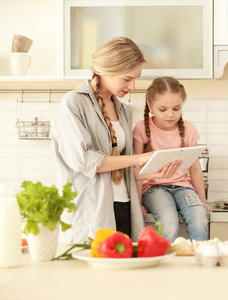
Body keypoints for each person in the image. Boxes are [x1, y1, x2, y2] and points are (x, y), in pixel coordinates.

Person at [51, 37, 180, 242]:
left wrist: (156, 172)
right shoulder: (73, 103)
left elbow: (122, 169)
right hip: (91, 213)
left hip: (124, 208)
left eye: (136, 78)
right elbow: (84, 161)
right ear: (107, 70)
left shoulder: (122, 109)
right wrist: (137, 159)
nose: (133, 85)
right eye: (127, 79)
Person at [133, 77, 210, 242]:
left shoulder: (188, 129)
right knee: (169, 222)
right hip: (154, 188)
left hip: (183, 187)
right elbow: (136, 169)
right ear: (150, 106)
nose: (170, 114)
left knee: (200, 218)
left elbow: (195, 169)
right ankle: (166, 265)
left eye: (176, 108)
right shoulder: (141, 129)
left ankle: (199, 263)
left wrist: (202, 201)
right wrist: (138, 203)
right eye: (163, 109)